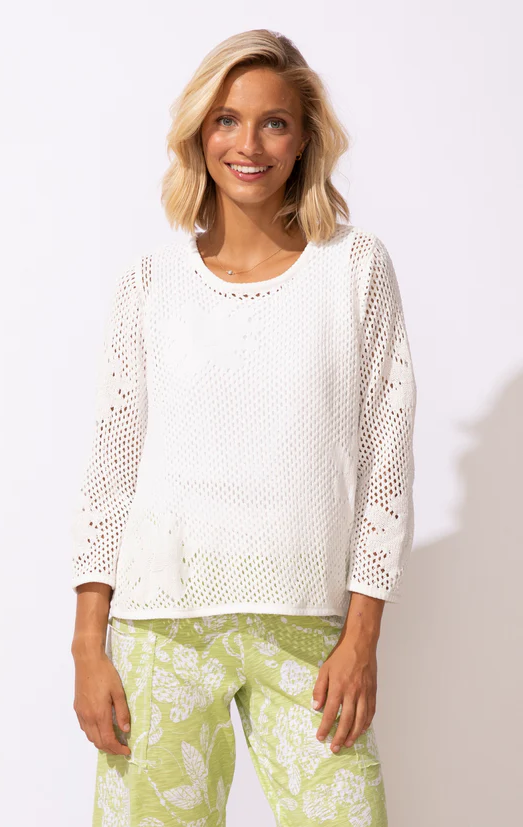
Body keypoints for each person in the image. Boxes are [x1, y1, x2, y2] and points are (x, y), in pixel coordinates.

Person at [71, 28, 417, 827]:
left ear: (303, 139)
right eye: (226, 120)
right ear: (199, 133)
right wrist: (88, 643)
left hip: (309, 627)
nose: (248, 144)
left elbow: (387, 461)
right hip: (159, 625)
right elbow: (110, 472)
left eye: (273, 123)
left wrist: (361, 635)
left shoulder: (354, 269)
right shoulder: (150, 284)